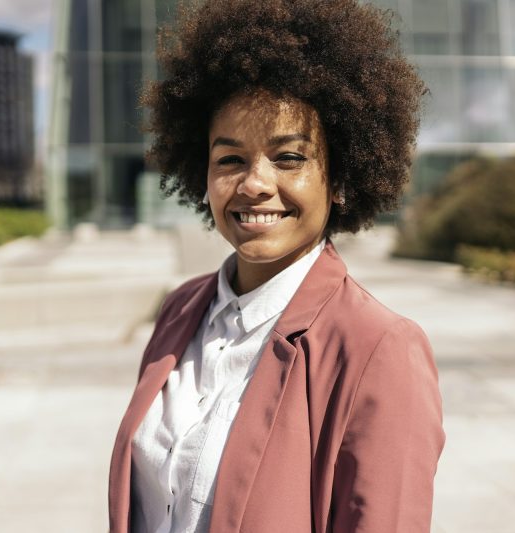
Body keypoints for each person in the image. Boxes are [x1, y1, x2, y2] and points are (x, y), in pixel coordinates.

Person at [108, 0, 445, 531]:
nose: (255, 183)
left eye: (289, 158)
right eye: (230, 159)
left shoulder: (380, 348)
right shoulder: (180, 309)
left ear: (338, 180)